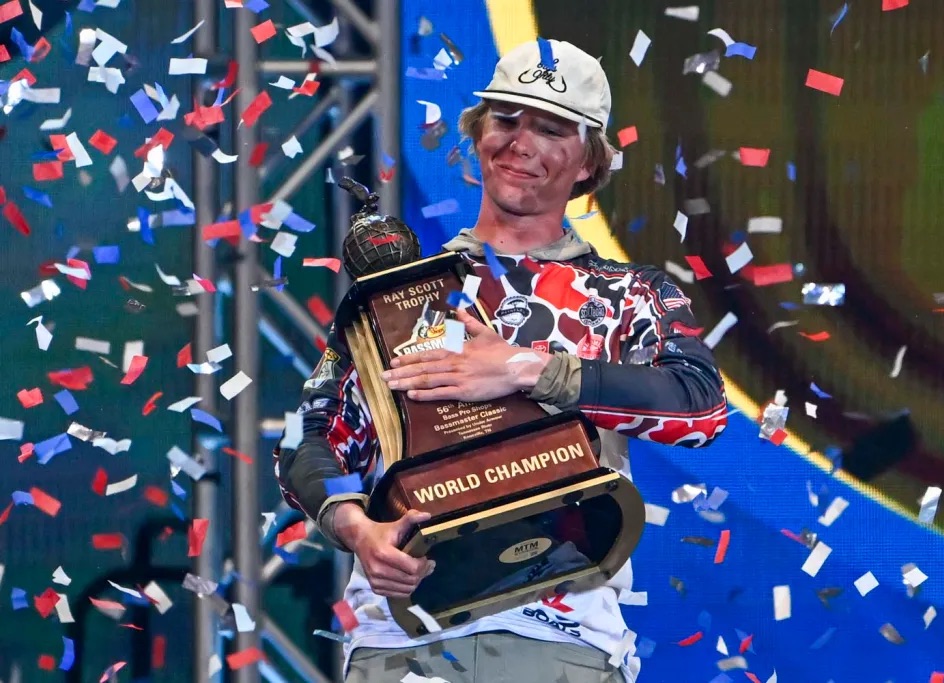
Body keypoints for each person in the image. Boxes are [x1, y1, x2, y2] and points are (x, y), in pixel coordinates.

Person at [273, 38, 729, 683]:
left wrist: (526, 369)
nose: (521, 143)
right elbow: (308, 442)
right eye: (506, 119)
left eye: (550, 129)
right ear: (477, 134)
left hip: (563, 637)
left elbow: (702, 407)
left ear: (588, 163)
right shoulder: (398, 297)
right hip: (400, 637)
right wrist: (357, 530)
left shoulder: (633, 294)